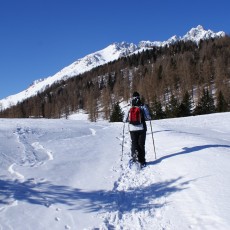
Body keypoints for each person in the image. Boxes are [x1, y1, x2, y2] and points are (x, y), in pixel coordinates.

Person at [124, 92, 151, 167]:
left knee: (134, 143)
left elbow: (124, 119)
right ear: (139, 97)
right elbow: (148, 117)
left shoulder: (129, 106)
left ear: (132, 97)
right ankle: (142, 161)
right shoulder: (142, 106)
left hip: (132, 128)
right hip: (142, 128)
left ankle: (134, 156)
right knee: (141, 144)